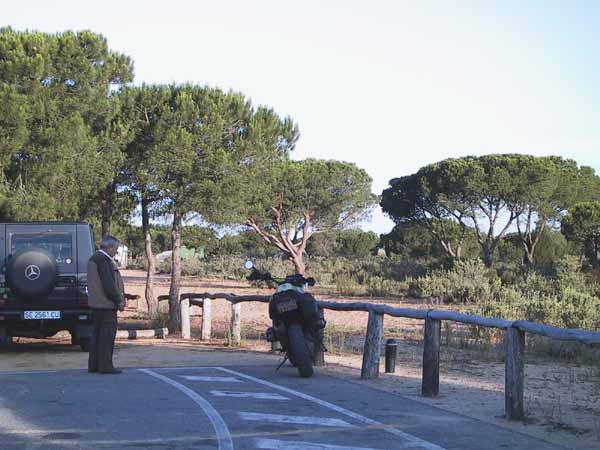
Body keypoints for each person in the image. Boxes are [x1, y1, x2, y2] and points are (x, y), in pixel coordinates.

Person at [87, 235, 126, 374]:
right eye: (115, 248)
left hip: (95, 305)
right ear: (109, 247)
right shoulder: (104, 261)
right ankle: (106, 366)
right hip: (106, 306)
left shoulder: (94, 258)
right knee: (107, 338)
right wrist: (118, 301)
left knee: (96, 337)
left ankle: (94, 365)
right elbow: (109, 285)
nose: (116, 252)